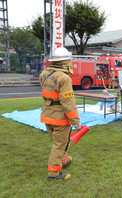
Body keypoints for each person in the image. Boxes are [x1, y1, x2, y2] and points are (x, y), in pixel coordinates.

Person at [39, 47, 81, 181]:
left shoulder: (43, 74)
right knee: (59, 145)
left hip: (47, 114)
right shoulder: (64, 78)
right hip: (60, 118)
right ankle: (53, 173)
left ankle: (63, 160)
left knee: (58, 142)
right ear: (64, 62)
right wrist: (76, 122)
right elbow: (68, 102)